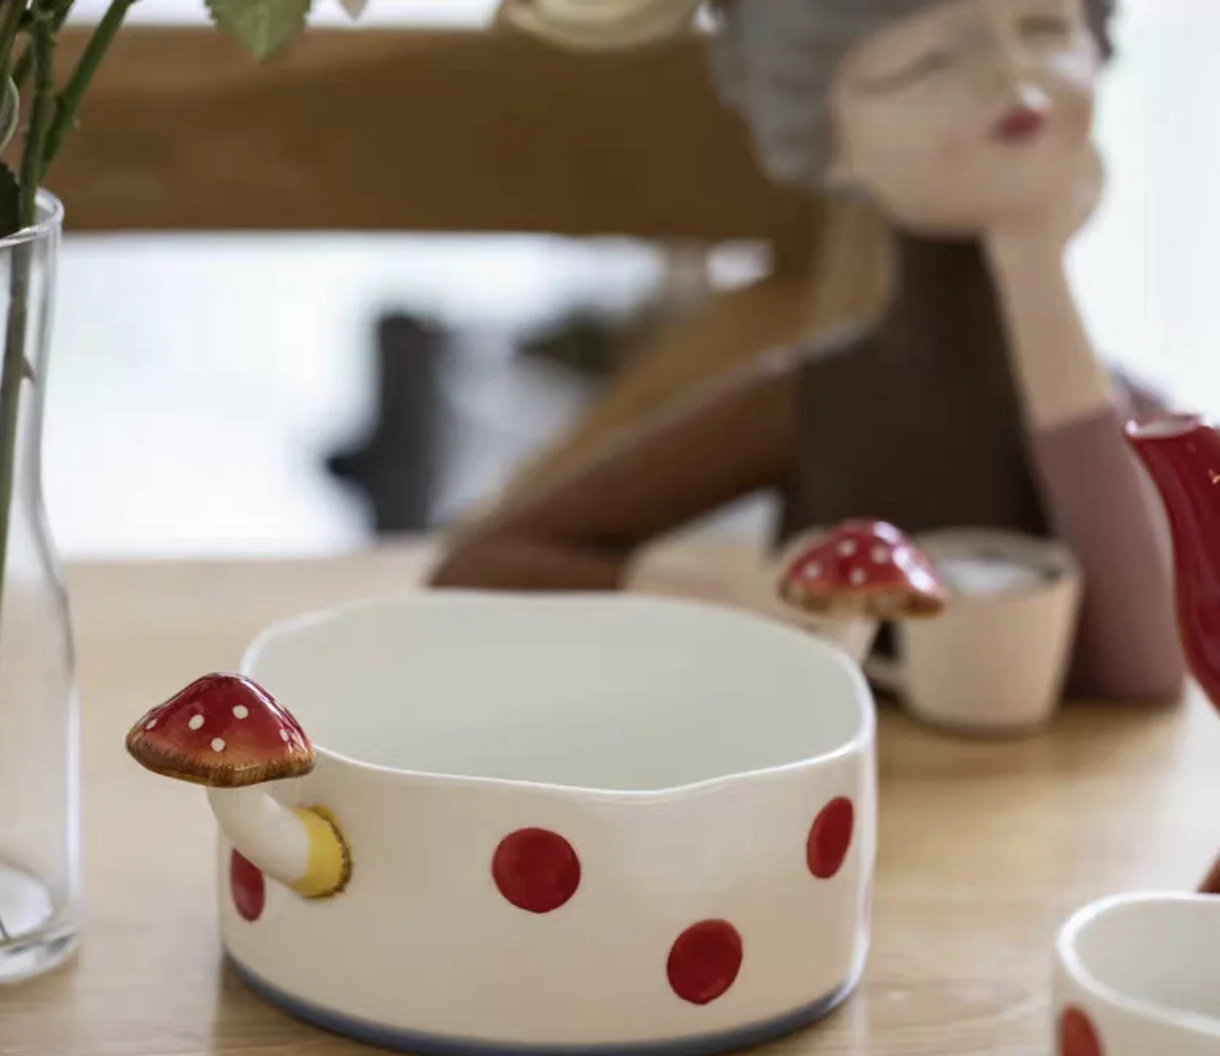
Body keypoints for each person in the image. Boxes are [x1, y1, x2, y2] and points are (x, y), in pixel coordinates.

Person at [433, 0, 1183, 703]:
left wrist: (1031, 263)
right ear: (829, 141)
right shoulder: (820, 401)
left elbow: (1145, 662)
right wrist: (740, 605)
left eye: (1046, 28)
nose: (1014, 81)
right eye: (926, 63)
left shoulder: (1125, 412)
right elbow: (484, 562)